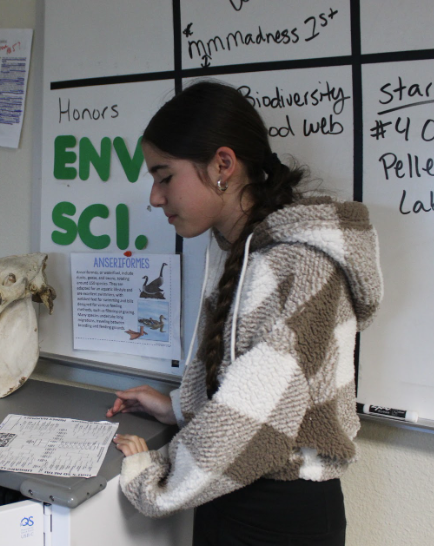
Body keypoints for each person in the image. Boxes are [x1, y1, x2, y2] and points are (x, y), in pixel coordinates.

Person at [106, 81, 383, 546]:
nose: (155, 198)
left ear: (223, 166)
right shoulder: (244, 251)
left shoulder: (298, 263)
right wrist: (177, 407)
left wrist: (152, 476)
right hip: (237, 500)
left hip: (279, 519)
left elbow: (257, 422)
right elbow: (248, 380)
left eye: (164, 176)